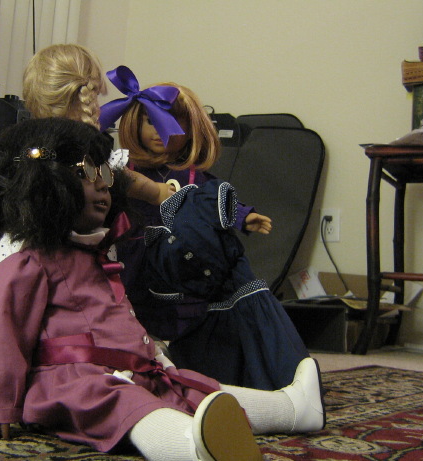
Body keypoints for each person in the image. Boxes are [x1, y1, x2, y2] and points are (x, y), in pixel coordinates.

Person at [0, 117, 325, 461]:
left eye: (106, 175)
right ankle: (191, 446)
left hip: (136, 368)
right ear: (42, 185)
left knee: (196, 389)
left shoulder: (97, 255)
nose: (103, 186)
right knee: (124, 404)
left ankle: (292, 409)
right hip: (73, 380)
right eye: (86, 174)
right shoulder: (27, 264)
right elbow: (1, 336)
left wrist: (158, 361)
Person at [99, 66, 312, 391]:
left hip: (188, 264)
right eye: (149, 121)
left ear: (192, 129)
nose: (158, 131)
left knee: (230, 280)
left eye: (172, 122)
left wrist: (243, 217)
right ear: (133, 123)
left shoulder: (194, 177)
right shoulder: (125, 169)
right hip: (139, 259)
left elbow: (213, 203)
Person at [0, 44, 175, 270]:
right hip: (76, 257)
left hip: (19, 255)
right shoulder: (85, 149)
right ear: (88, 96)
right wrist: (157, 192)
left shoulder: (26, 145)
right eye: (97, 96)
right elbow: (124, 178)